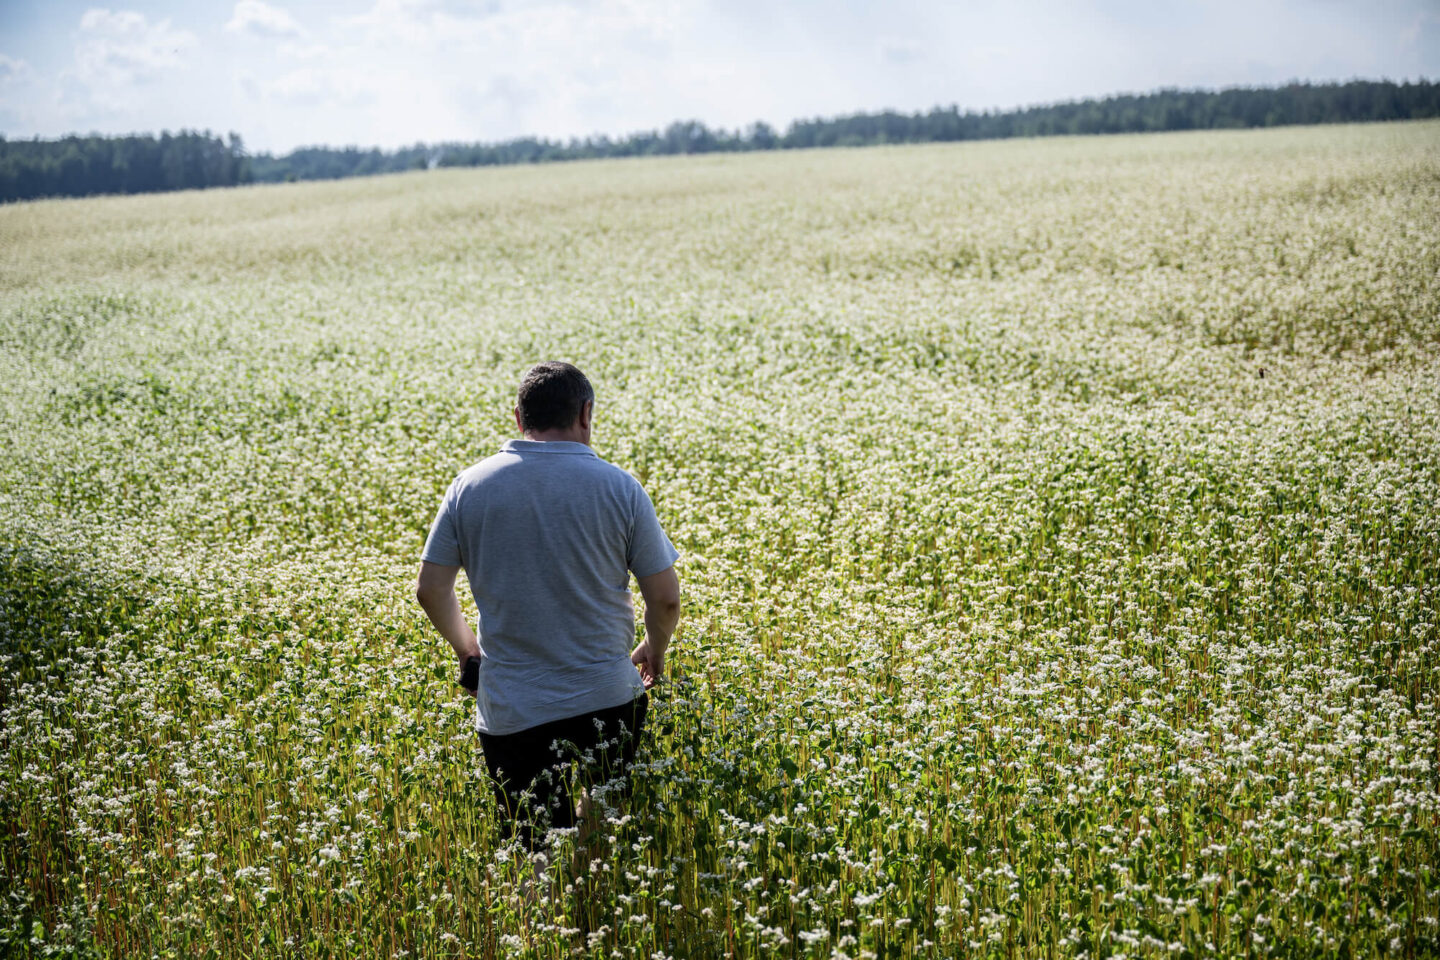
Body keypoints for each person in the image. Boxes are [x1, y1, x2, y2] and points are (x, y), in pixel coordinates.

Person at [414, 361, 681, 849]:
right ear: (586, 413)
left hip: (514, 704)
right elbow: (664, 598)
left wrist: (468, 650)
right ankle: (589, 899)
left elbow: (431, 591)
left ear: (519, 417)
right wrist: (653, 648)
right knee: (600, 833)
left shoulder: (469, 486)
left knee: (533, 850)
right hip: (609, 694)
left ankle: (547, 914)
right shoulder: (620, 487)